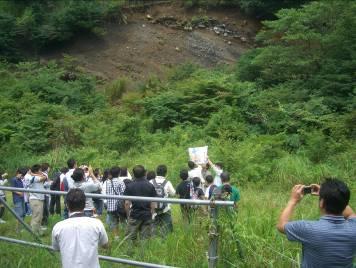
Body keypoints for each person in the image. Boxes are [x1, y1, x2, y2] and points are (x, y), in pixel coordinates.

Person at [277, 178, 356, 268]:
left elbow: (281, 225)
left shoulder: (308, 229)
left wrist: (292, 201)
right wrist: (330, 196)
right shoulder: (354, 227)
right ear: (345, 203)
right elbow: (351, 214)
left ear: (321, 203)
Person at [52, 188, 108, 268]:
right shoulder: (96, 224)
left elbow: (56, 248)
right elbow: (105, 244)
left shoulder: (58, 227)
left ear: (67, 205)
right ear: (85, 204)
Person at [124, 165, 156, 241]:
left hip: (134, 214)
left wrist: (128, 215)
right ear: (145, 173)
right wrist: (152, 213)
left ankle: (129, 252)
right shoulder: (150, 185)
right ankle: (143, 253)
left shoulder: (129, 186)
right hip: (147, 215)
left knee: (130, 238)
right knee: (145, 239)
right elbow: (153, 202)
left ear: (133, 174)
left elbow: (127, 203)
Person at [150, 165, 175, 236]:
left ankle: (154, 239)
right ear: (165, 173)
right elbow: (173, 193)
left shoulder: (151, 181)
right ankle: (165, 239)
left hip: (153, 208)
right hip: (165, 208)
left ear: (156, 172)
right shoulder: (167, 182)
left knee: (153, 226)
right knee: (166, 227)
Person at [24, 164, 47, 234]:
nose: (41, 171)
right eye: (40, 170)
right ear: (37, 171)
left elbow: (45, 176)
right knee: (36, 217)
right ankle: (34, 233)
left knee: (40, 216)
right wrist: (34, 174)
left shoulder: (33, 175)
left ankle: (39, 231)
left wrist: (34, 174)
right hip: (35, 199)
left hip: (39, 198)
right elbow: (44, 177)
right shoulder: (31, 177)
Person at [106, 166, 126, 239]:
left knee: (114, 222)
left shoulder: (108, 182)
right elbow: (124, 193)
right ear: (119, 173)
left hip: (111, 206)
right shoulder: (120, 182)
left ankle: (116, 237)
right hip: (119, 206)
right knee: (123, 220)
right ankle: (125, 235)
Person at [41, 163, 51, 228]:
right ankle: (44, 223)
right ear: (47, 168)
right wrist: (50, 183)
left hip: (46, 193)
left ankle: (45, 222)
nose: (49, 169)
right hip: (44, 194)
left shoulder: (45, 174)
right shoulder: (44, 174)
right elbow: (42, 184)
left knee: (46, 208)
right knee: (45, 209)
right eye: (49, 167)